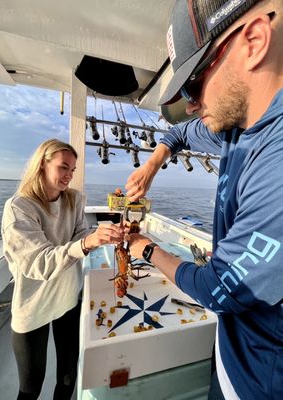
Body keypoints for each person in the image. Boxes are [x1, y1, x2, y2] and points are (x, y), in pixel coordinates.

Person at [125, 0, 283, 399]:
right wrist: (152, 165)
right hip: (233, 357)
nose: (191, 105)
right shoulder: (237, 126)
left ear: (254, 41)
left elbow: (218, 289)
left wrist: (146, 250)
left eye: (193, 84)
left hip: (260, 383)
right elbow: (177, 135)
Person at [1, 139, 124, 400]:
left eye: (73, 169)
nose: (69, 175)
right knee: (30, 387)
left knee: (68, 377)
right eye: (63, 167)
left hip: (67, 299)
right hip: (32, 307)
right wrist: (87, 242)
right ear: (42, 165)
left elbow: (80, 234)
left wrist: (101, 234)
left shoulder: (75, 199)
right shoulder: (19, 207)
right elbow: (39, 263)